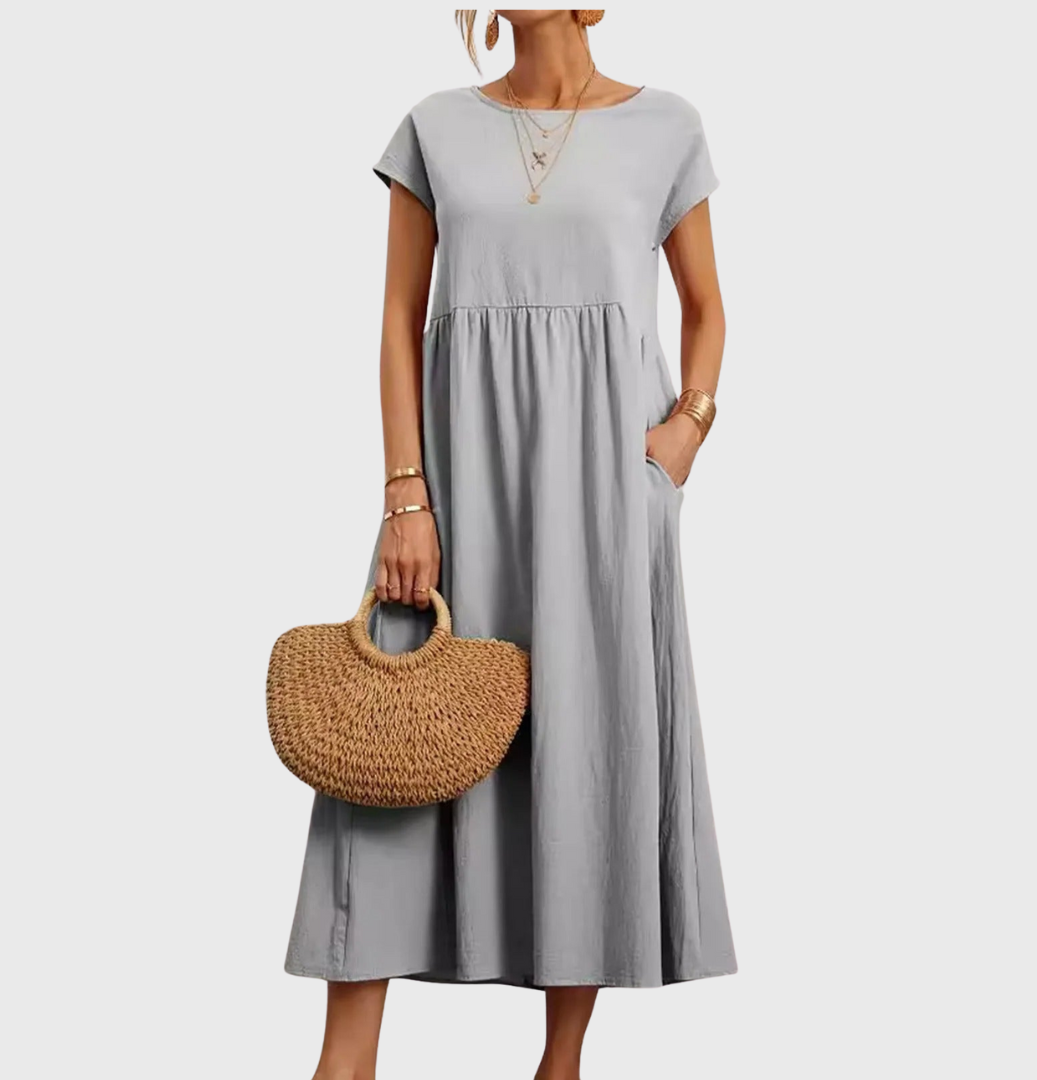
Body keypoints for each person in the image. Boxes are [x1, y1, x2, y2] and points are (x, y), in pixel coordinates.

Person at [285, 10, 737, 1079]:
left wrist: (684, 434)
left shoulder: (668, 127)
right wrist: (405, 494)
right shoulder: (434, 127)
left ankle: (560, 1061)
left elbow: (708, 309)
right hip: (456, 478)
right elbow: (398, 319)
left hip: (604, 495)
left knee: (586, 734)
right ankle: (344, 1064)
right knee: (392, 730)